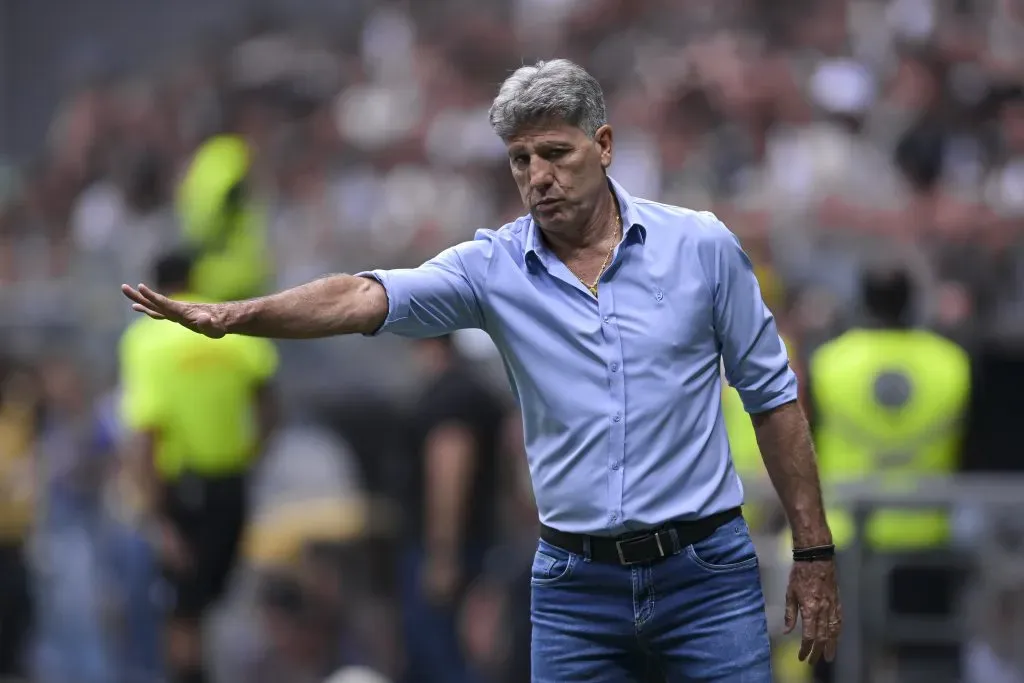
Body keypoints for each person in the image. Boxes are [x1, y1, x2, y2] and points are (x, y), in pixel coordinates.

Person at [123, 59, 841, 682]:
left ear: (605, 145)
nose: (538, 177)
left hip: (705, 573)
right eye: (521, 161)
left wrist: (813, 550)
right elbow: (359, 293)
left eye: (555, 153)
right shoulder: (492, 269)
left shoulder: (702, 247)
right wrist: (233, 315)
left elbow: (774, 399)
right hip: (575, 583)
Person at [119, 250, 278, 683]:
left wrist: (156, 518)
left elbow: (147, 434)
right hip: (232, 481)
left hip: (181, 489)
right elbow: (267, 402)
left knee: (182, 610)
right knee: (211, 600)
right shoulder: (230, 321)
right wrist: (251, 451)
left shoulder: (146, 339)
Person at [808, 264, 970, 682]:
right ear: (912, 302)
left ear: (862, 300)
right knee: (927, 661)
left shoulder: (829, 361)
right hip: (924, 536)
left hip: (844, 538)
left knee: (833, 656)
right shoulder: (951, 363)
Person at [399, 335, 508, 683]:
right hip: (474, 547)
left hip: (451, 554)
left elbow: (449, 468)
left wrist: (443, 555)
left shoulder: (451, 396)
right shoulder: (474, 392)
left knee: (445, 660)